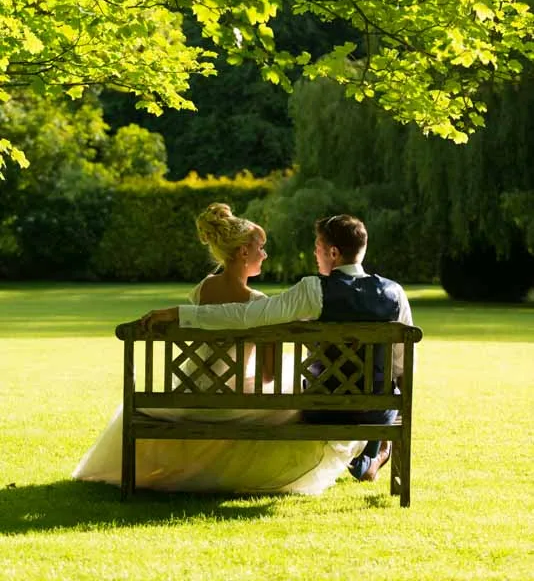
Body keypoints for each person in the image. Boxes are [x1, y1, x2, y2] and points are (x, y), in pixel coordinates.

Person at [73, 204, 365, 494]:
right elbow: (266, 377)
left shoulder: (201, 291)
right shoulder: (258, 303)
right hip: (231, 404)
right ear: (243, 252)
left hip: (187, 397)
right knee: (293, 386)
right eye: (260, 248)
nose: (265, 254)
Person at [142, 213, 416, 483]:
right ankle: (375, 449)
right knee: (382, 389)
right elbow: (403, 368)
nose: (314, 255)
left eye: (317, 249)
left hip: (321, 409)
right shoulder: (395, 294)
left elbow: (244, 316)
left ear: (333, 253)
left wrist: (182, 314)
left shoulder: (312, 290)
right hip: (376, 411)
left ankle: (371, 452)